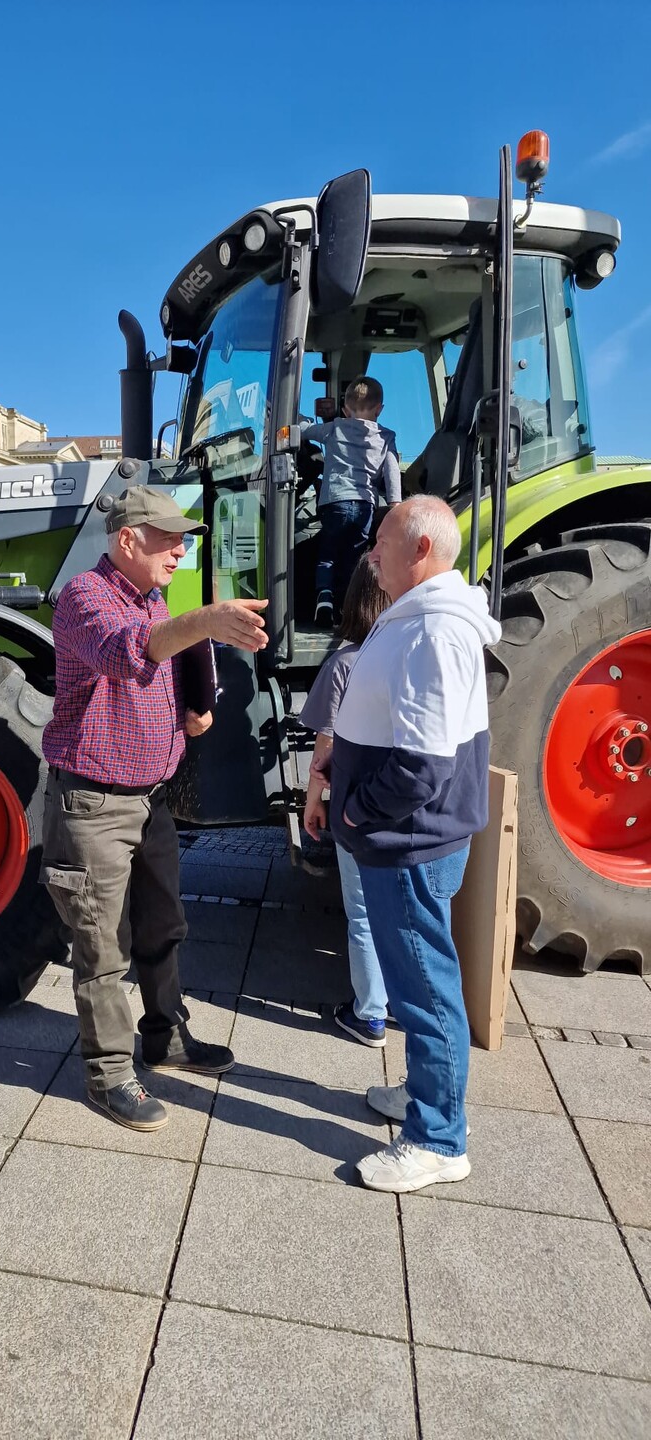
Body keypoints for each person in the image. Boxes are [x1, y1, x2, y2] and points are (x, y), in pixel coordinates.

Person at [41, 484, 268, 1131]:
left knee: (162, 927)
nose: (181, 547)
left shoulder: (153, 598)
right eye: (167, 536)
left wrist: (190, 710)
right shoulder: (87, 598)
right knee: (101, 945)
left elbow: (162, 659)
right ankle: (108, 1075)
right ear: (126, 540)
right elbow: (125, 651)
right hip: (95, 804)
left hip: (149, 800)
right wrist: (203, 622)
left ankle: (164, 1037)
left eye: (182, 536)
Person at [323, 496, 501, 1192]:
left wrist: (360, 813)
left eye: (382, 542)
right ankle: (427, 1098)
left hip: (407, 841)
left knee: (425, 990)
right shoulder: (425, 618)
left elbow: (422, 765)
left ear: (420, 550)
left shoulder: (431, 630)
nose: (370, 554)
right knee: (417, 981)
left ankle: (437, 1139)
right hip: (406, 838)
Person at [301, 554, 390, 1047]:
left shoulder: (345, 663)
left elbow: (325, 747)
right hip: (406, 807)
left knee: (363, 913)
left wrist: (315, 800)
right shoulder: (414, 655)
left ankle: (370, 1014)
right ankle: (401, 1005)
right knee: (403, 912)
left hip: (357, 809)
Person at [301, 376, 401, 626]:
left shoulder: (335, 427)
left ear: (345, 409)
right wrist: (394, 504)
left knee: (327, 554)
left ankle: (324, 600)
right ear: (380, 409)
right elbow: (392, 471)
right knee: (354, 557)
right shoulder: (386, 437)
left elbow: (305, 431)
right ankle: (348, 607)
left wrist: (297, 420)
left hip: (334, 503)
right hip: (365, 506)